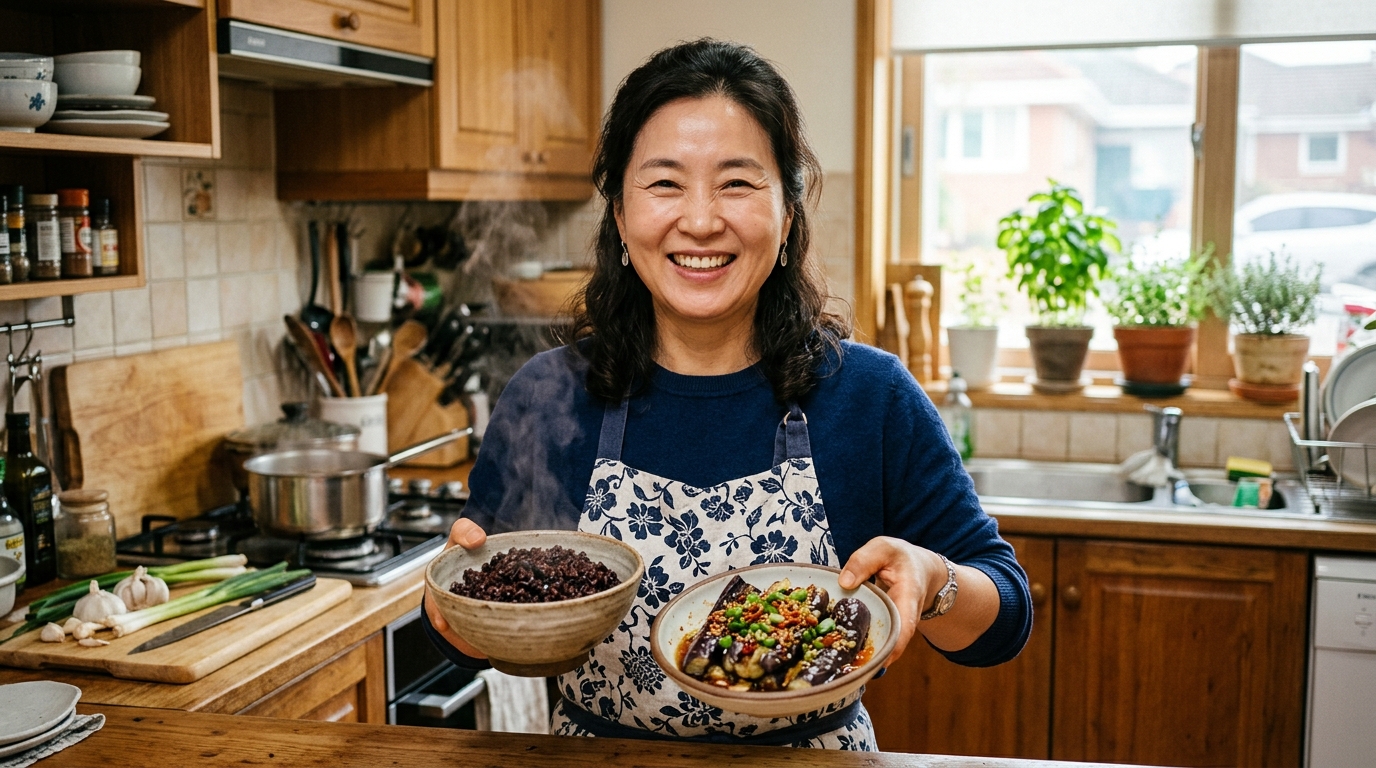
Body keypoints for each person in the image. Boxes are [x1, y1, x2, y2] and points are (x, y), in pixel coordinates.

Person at [423, 38, 1031, 751]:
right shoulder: (548, 398)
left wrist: (935, 580)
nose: (703, 220)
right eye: (665, 184)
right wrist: (458, 607)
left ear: (788, 216)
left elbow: (1005, 621)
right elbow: (471, 635)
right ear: (620, 216)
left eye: (737, 183)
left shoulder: (870, 396)